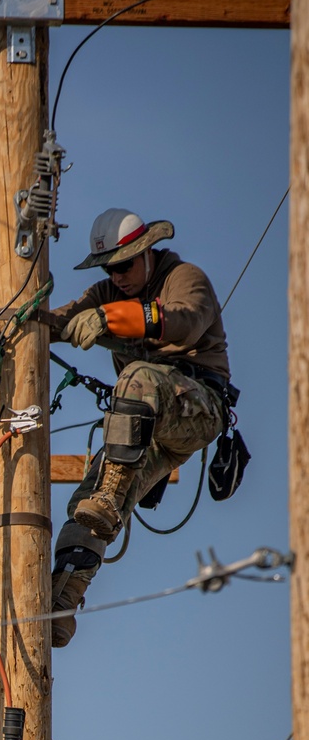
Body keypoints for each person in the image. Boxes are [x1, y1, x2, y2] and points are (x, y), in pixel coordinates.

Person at [48, 208, 233, 646]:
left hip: (198, 408)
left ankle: (112, 498)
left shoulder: (185, 278)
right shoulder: (105, 292)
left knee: (136, 378)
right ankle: (63, 600)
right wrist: (2, 321)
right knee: (88, 497)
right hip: (146, 425)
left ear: (146, 252)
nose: (119, 276)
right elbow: (59, 319)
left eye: (124, 264)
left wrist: (115, 320)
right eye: (110, 269)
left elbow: (185, 322)